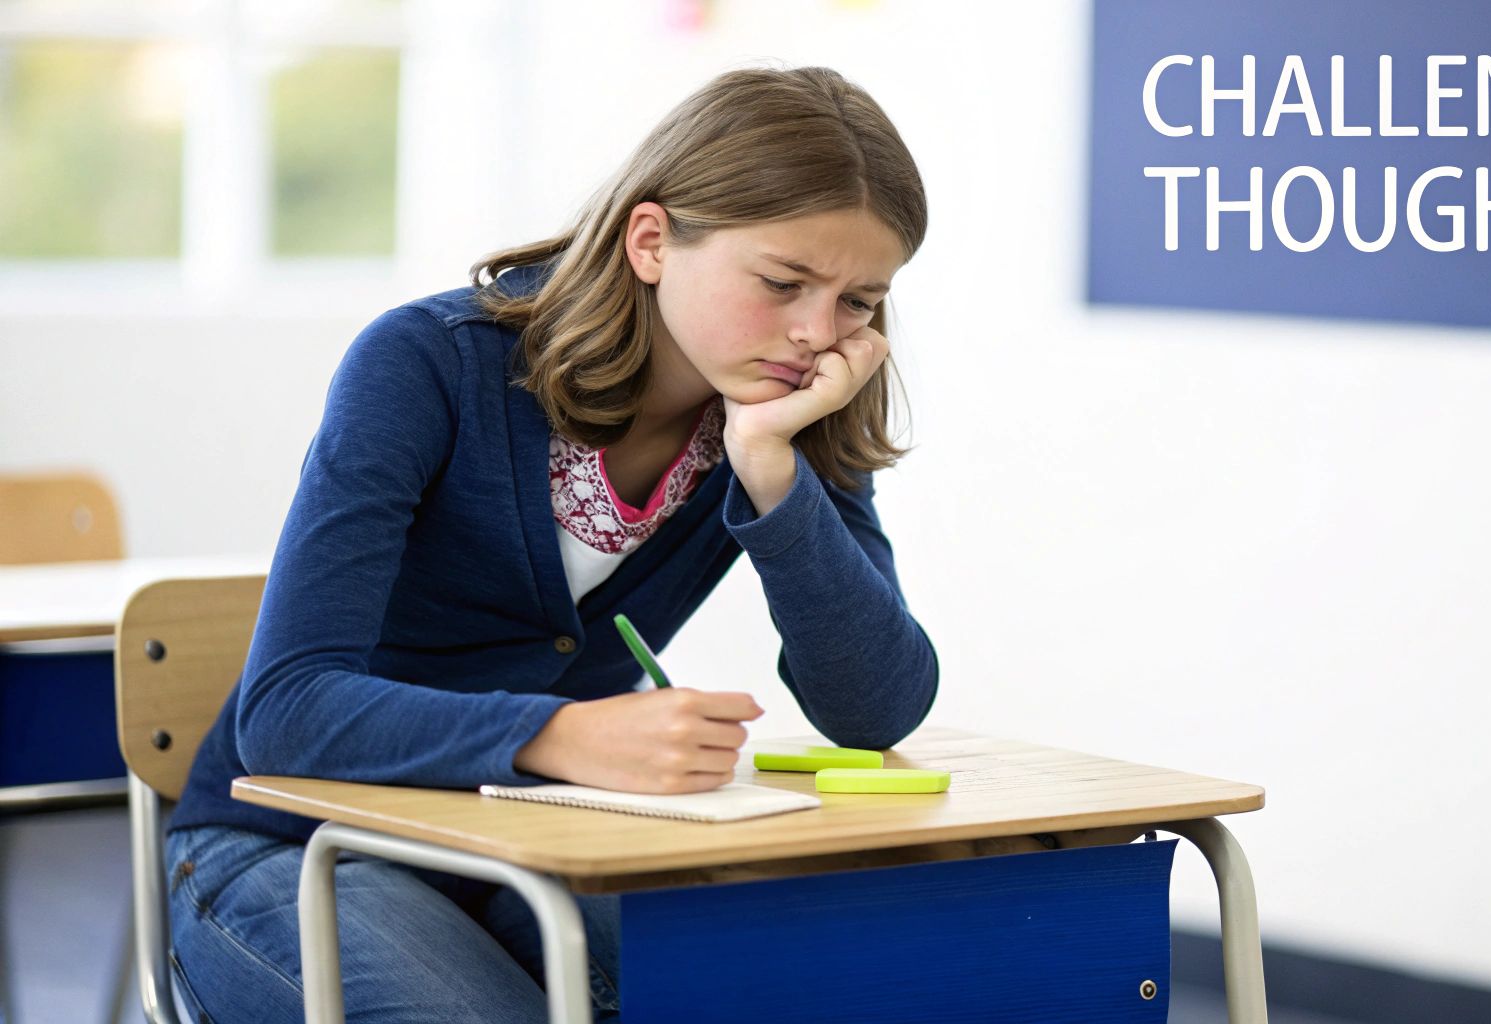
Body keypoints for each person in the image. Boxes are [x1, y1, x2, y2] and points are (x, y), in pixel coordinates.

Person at [162, 65, 938, 1023]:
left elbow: (876, 707)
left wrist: (774, 479)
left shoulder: (786, 412)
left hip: (527, 842)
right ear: (651, 241)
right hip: (291, 844)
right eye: (784, 283)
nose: (819, 335)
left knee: (762, 996)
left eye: (861, 301)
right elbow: (284, 711)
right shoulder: (427, 363)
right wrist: (560, 733)